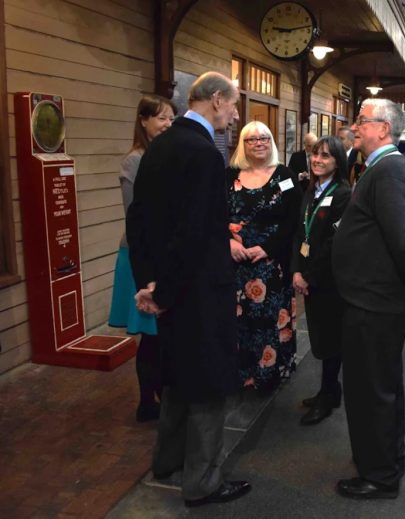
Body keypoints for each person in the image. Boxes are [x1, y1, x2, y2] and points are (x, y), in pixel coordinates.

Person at [127, 71, 251, 507]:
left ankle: (167, 460)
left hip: (169, 284)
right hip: (197, 289)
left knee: (177, 376)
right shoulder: (202, 153)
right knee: (209, 384)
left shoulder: (159, 146)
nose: (235, 116)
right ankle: (203, 482)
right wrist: (165, 290)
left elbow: (138, 221)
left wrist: (149, 282)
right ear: (216, 100)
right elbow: (194, 234)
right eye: (234, 105)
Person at [332, 98, 405, 500]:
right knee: (382, 385)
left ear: (383, 128)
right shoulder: (384, 169)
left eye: (361, 120)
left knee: (370, 390)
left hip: (374, 304)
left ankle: (379, 475)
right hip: (374, 299)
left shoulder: (388, 172)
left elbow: (402, 240)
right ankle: (386, 460)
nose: (355, 126)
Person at [109, 93, 174, 423]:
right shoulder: (135, 160)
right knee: (150, 334)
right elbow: (135, 218)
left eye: (170, 118)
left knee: (160, 334)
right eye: (161, 117)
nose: (167, 124)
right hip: (139, 257)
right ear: (143, 120)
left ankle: (158, 396)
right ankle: (147, 402)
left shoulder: (163, 155)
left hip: (160, 257)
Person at [228, 120, 302, 392]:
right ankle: (239, 372)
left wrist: (268, 247)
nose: (258, 143)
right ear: (243, 144)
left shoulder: (283, 175)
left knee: (269, 319)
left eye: (264, 138)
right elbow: (213, 214)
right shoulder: (230, 175)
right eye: (251, 139)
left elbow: (293, 219)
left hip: (271, 264)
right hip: (235, 264)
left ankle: (268, 373)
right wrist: (228, 243)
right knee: (238, 320)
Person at [291, 136, 351, 425]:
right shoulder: (312, 189)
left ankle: (328, 397)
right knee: (320, 335)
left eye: (325, 156)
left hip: (328, 281)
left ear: (338, 161)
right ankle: (330, 390)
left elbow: (332, 245)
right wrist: (296, 270)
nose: (318, 160)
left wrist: (309, 277)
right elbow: (300, 234)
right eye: (315, 154)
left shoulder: (343, 195)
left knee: (329, 340)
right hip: (308, 276)